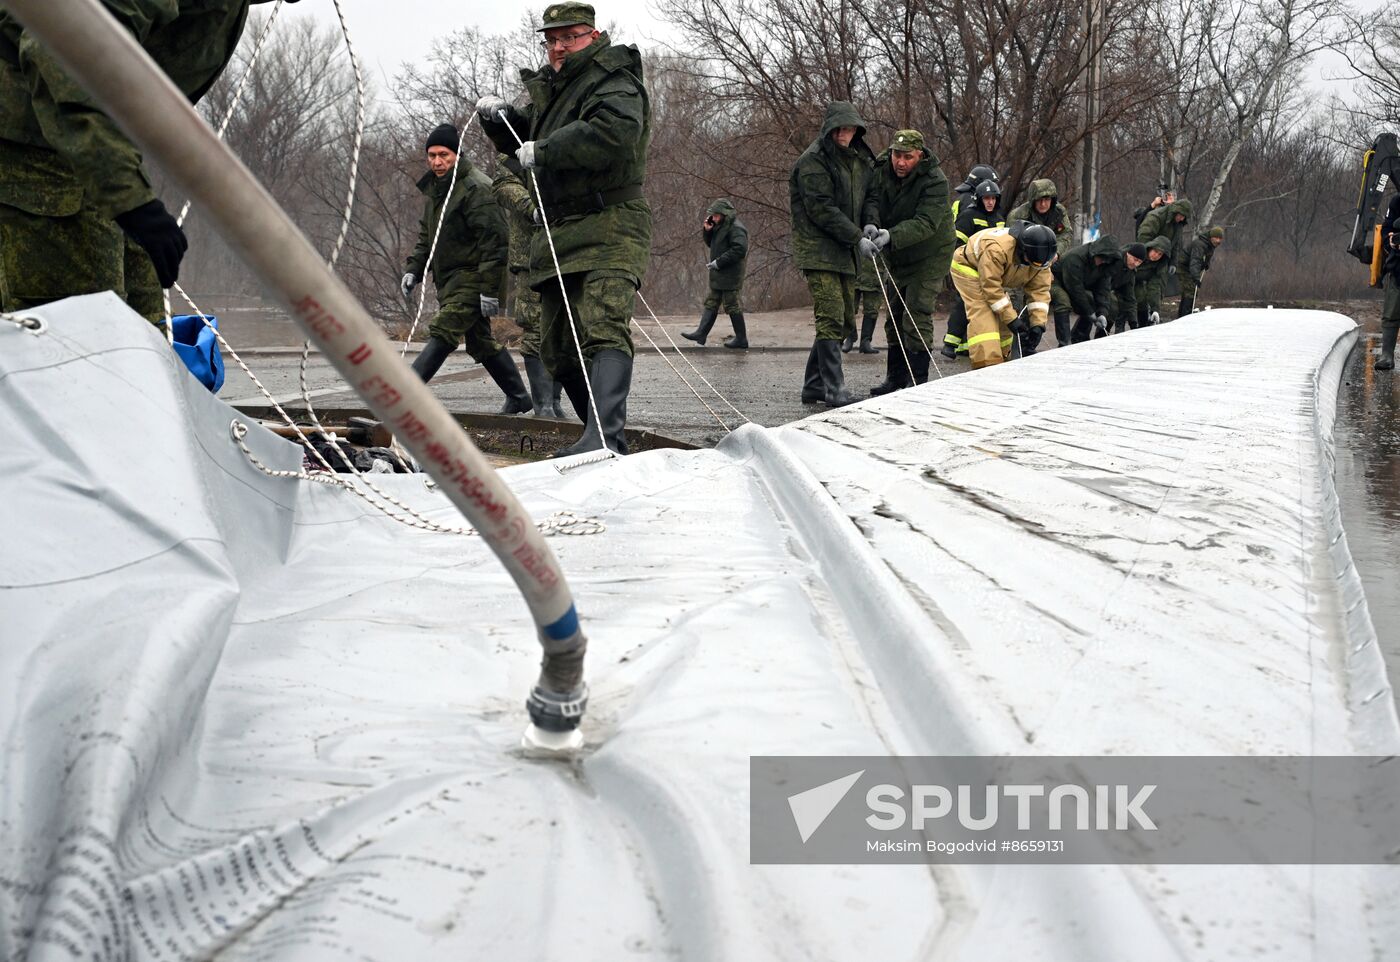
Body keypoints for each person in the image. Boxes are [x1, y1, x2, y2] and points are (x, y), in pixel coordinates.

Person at [0, 0, 297, 323]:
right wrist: (131, 201)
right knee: (87, 333)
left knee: (143, 321)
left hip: (84, 146)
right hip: (32, 146)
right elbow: (59, 44)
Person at [477, 1, 651, 456]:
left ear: (592, 36)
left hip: (611, 222)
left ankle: (605, 438)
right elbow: (527, 143)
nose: (558, 47)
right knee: (556, 346)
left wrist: (546, 148)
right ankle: (595, 433)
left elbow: (612, 134)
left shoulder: (613, 80)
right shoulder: (554, 90)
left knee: (603, 327)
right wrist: (502, 126)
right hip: (561, 230)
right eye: (551, 39)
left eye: (568, 37)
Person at [401, 124, 530, 413]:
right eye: (432, 155)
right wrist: (414, 270)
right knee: (481, 342)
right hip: (450, 280)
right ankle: (519, 397)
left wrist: (488, 291)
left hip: (473, 279)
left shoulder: (476, 188)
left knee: (443, 331)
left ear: (457, 155)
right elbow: (427, 237)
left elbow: (496, 244)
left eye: (443, 155)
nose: (437, 161)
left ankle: (402, 398)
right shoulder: (438, 190)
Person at [788, 100, 875, 407]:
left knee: (844, 318)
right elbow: (820, 208)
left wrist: (870, 224)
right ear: (829, 129)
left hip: (846, 250)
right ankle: (834, 389)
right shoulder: (813, 161)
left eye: (850, 128)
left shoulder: (860, 158)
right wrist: (856, 236)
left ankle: (813, 386)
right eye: (839, 128)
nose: (844, 134)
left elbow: (870, 195)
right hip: (817, 250)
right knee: (831, 314)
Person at [861, 128, 954, 394]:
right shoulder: (881, 169)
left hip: (929, 253)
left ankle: (918, 382)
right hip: (897, 252)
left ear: (920, 156)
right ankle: (895, 378)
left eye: (908, 157)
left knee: (916, 313)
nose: (901, 162)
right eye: (897, 155)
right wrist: (872, 222)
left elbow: (926, 223)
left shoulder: (935, 181)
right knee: (894, 313)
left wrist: (891, 235)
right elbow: (874, 199)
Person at [491, 153, 564, 416]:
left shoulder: (568, 131)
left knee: (564, 330)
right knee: (534, 328)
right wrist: (532, 207)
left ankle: (555, 401)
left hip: (570, 250)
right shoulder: (518, 143)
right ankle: (543, 405)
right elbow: (503, 184)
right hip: (531, 255)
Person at [949, 222, 1057, 369]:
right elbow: (991, 288)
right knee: (984, 314)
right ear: (1022, 250)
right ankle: (986, 366)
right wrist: (1013, 320)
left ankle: (1003, 359)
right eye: (1031, 263)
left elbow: (1040, 292)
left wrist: (1038, 324)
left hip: (993, 276)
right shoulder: (996, 250)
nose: (1035, 267)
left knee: (1003, 319)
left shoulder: (1042, 259)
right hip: (969, 267)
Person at [942, 179, 1005, 358]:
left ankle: (966, 345)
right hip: (967, 266)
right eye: (986, 198)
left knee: (985, 306)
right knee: (965, 302)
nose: (990, 202)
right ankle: (950, 344)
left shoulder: (999, 219)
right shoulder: (968, 216)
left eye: (993, 198)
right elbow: (958, 244)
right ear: (979, 199)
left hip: (990, 270)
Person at [1007, 179, 1073, 348]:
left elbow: (1066, 234)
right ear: (1032, 200)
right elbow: (1011, 245)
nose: (1044, 204)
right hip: (1020, 264)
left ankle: (1032, 343)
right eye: (1040, 200)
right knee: (1015, 302)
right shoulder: (1019, 216)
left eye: (1047, 199)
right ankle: (1012, 344)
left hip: (1047, 262)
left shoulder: (1058, 212)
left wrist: (1055, 253)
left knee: (1041, 299)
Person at [683, 198, 749, 349]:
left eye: (717, 215)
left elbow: (739, 250)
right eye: (713, 215)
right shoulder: (720, 227)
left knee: (732, 305)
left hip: (731, 274)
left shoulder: (736, 228)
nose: (714, 218)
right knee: (712, 302)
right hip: (719, 273)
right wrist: (707, 231)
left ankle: (741, 339)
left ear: (725, 214)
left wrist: (719, 262)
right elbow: (712, 244)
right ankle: (701, 333)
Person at [1054, 234, 1122, 343]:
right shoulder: (1075, 258)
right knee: (1063, 300)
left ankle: (1083, 337)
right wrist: (1090, 312)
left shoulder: (1105, 266)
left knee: (1111, 303)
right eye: (1101, 258)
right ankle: (1065, 342)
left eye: (1106, 260)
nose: (1102, 262)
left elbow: (1103, 290)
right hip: (1058, 281)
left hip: (1080, 285)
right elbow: (1075, 289)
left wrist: (1102, 313)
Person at [1176, 225, 1224, 317]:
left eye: (1220, 238)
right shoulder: (1200, 244)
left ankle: (1182, 316)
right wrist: (1196, 277)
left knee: (1188, 291)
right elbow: (1195, 261)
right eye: (1216, 238)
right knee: (1191, 291)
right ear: (1211, 237)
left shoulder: (1211, 245)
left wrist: (1206, 264)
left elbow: (1204, 258)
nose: (1218, 240)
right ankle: (1185, 316)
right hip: (1184, 268)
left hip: (1191, 268)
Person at [1378, 193, 1399, 371]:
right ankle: (1387, 355)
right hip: (1399, 266)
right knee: (1391, 311)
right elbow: (1386, 229)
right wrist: (1390, 240)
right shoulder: (1397, 201)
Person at [845, 254, 882, 354]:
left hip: (874, 269)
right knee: (848, 305)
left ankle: (865, 341)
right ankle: (850, 336)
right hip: (854, 268)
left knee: (872, 308)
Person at [1133, 237, 1173, 328]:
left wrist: (1155, 310)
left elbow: (1154, 287)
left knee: (1142, 299)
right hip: (1121, 280)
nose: (1156, 256)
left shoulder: (1157, 266)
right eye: (1155, 251)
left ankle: (1142, 328)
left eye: (1160, 254)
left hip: (1137, 282)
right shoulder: (1138, 253)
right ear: (1150, 248)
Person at [1107, 242, 1146, 334]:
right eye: (1135, 259)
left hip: (1108, 289)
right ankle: (1078, 337)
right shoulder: (1114, 260)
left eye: (1139, 262)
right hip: (1093, 285)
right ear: (1128, 254)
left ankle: (1102, 334)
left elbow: (1130, 298)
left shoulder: (1131, 272)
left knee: (1120, 303)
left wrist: (1134, 324)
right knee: (1110, 305)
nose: (1136, 264)